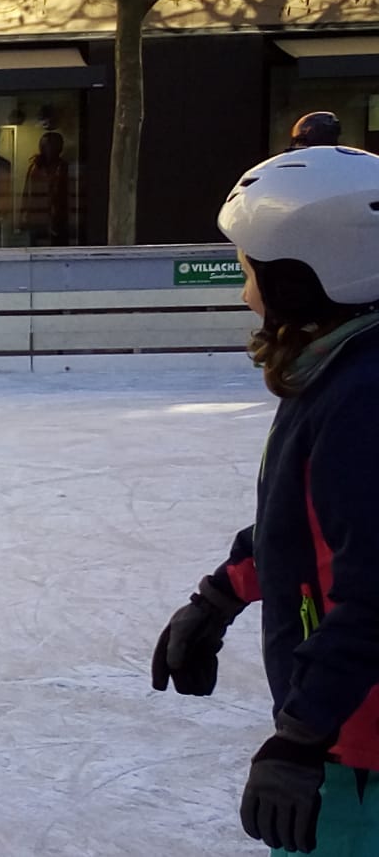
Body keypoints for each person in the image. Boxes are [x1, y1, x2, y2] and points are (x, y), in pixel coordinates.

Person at [150, 145, 379, 856]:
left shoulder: (363, 399)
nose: (244, 290)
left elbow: (375, 583)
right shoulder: (342, 369)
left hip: (360, 749)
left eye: (250, 270)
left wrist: (302, 737)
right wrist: (222, 594)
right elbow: (304, 516)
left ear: (309, 274)